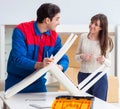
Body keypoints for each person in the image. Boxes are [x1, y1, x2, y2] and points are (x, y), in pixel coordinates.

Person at [5, 3, 69, 93]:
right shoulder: (21, 30)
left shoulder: (54, 37)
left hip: (38, 83)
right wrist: (40, 64)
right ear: (47, 20)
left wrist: (61, 67)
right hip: (16, 83)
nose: (59, 23)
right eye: (57, 19)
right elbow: (17, 59)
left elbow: (63, 57)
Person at [75, 14, 113, 101]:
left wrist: (103, 60)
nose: (92, 26)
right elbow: (76, 57)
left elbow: (109, 63)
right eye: (91, 22)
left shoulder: (106, 41)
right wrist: (82, 56)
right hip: (83, 76)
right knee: (84, 104)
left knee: (99, 105)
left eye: (96, 24)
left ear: (101, 28)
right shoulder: (83, 37)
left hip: (99, 77)